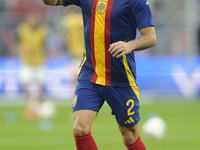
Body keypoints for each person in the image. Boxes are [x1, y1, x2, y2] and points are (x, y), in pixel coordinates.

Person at [43, 0, 156, 150]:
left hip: (121, 79)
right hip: (91, 75)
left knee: (129, 136)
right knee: (80, 128)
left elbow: (151, 37)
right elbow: (51, 1)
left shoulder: (136, 1)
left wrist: (130, 45)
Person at [15, 11, 48, 119]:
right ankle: (32, 104)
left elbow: (44, 45)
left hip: (39, 62)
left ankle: (38, 107)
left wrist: (45, 56)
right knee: (24, 84)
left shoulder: (42, 31)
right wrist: (21, 49)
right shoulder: (22, 30)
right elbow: (15, 44)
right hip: (27, 62)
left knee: (41, 86)